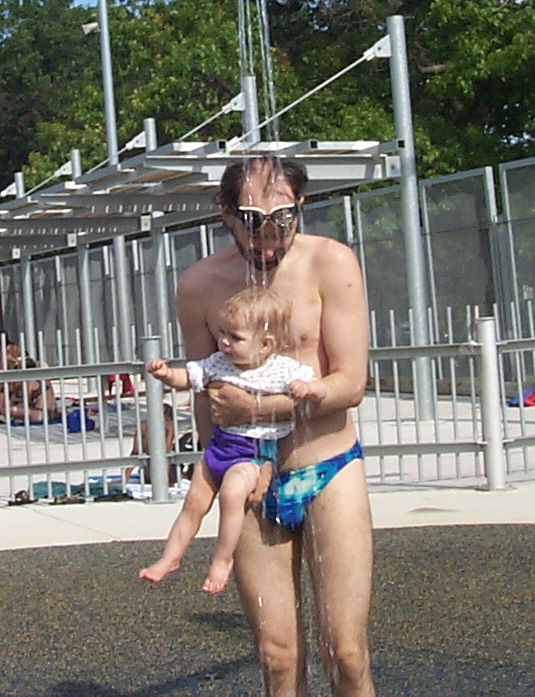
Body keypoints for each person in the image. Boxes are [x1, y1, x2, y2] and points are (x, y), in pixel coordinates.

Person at [176, 155, 375, 696]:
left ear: (300, 207)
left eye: (283, 220)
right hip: (249, 474)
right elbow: (207, 395)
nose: (267, 238)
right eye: (251, 222)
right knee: (277, 655)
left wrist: (258, 410)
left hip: (327, 465)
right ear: (225, 214)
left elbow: (349, 383)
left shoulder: (330, 263)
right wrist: (216, 470)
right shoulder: (200, 285)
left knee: (347, 652)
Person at [140, 288, 314, 594]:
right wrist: (167, 375)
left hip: (253, 453)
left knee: (231, 496)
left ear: (265, 344)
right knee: (193, 504)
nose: (224, 342)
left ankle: (222, 560)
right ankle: (170, 557)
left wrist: (303, 387)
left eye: (235, 337)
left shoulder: (281, 369)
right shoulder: (219, 363)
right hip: (220, 446)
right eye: (222, 333)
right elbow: (189, 377)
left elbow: (309, 385)